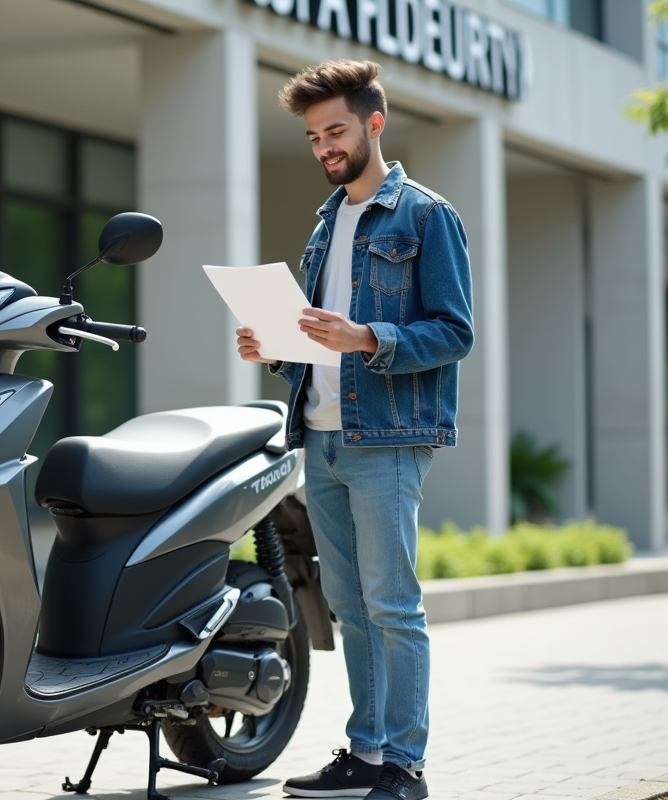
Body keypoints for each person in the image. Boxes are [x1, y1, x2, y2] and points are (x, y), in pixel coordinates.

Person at [235, 60, 474, 800]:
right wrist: (276, 347)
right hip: (321, 435)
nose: (324, 147)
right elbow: (319, 341)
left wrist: (367, 337)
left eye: (335, 131)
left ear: (375, 124)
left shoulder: (427, 216)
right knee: (347, 605)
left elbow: (455, 332)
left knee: (393, 604)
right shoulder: (325, 224)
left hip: (388, 439)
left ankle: (405, 766)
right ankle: (365, 753)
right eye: (312, 137)